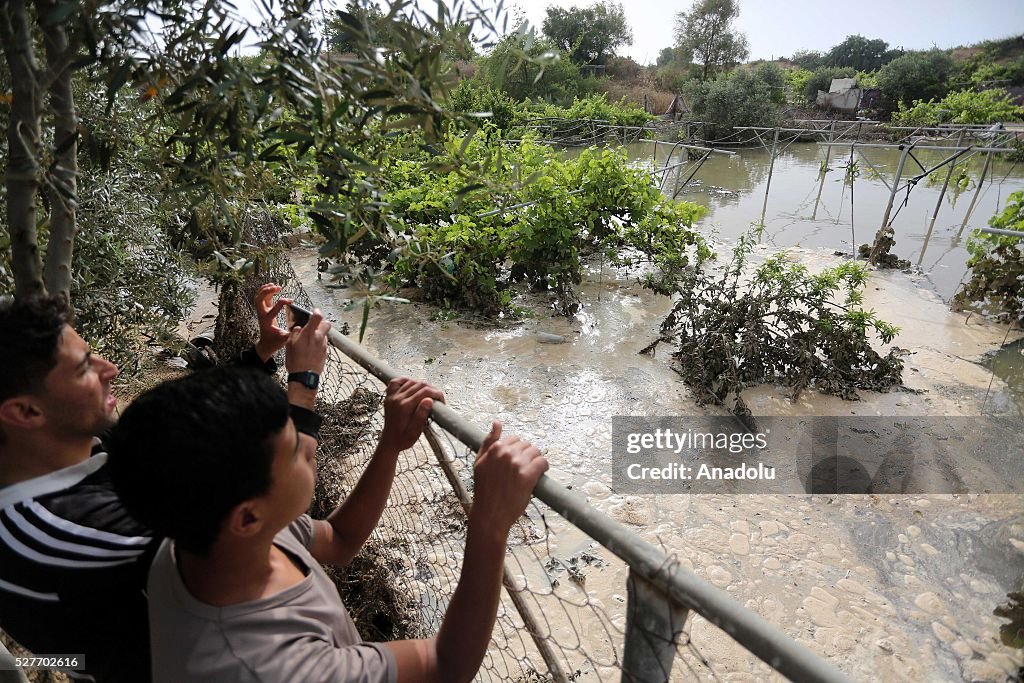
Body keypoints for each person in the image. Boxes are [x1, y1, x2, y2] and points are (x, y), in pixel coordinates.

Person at [106, 363, 548, 683]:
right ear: (248, 516)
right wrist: (489, 523)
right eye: (295, 449)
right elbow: (444, 666)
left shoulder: (200, 540)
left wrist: (390, 444)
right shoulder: (272, 668)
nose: (311, 448)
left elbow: (340, 538)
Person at [0, 284, 314, 682]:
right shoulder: (63, 531)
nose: (109, 368)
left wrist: (261, 355)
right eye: (83, 368)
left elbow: (176, 438)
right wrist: (302, 384)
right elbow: (263, 517)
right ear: (26, 412)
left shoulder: (72, 452)